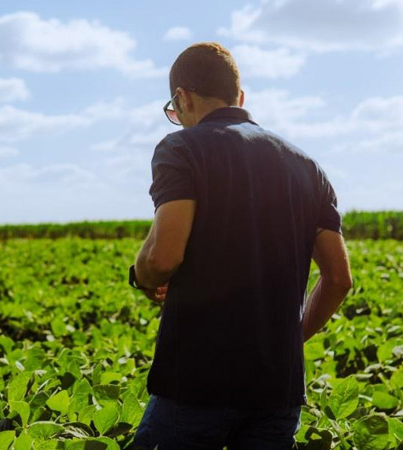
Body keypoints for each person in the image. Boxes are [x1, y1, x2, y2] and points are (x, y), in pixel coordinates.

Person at [127, 42, 353, 450]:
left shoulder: (181, 148)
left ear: (183, 98)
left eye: (175, 112)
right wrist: (289, 340)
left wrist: (141, 276)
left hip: (196, 383)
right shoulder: (306, 166)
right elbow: (338, 278)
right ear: (240, 98)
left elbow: (163, 257)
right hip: (277, 389)